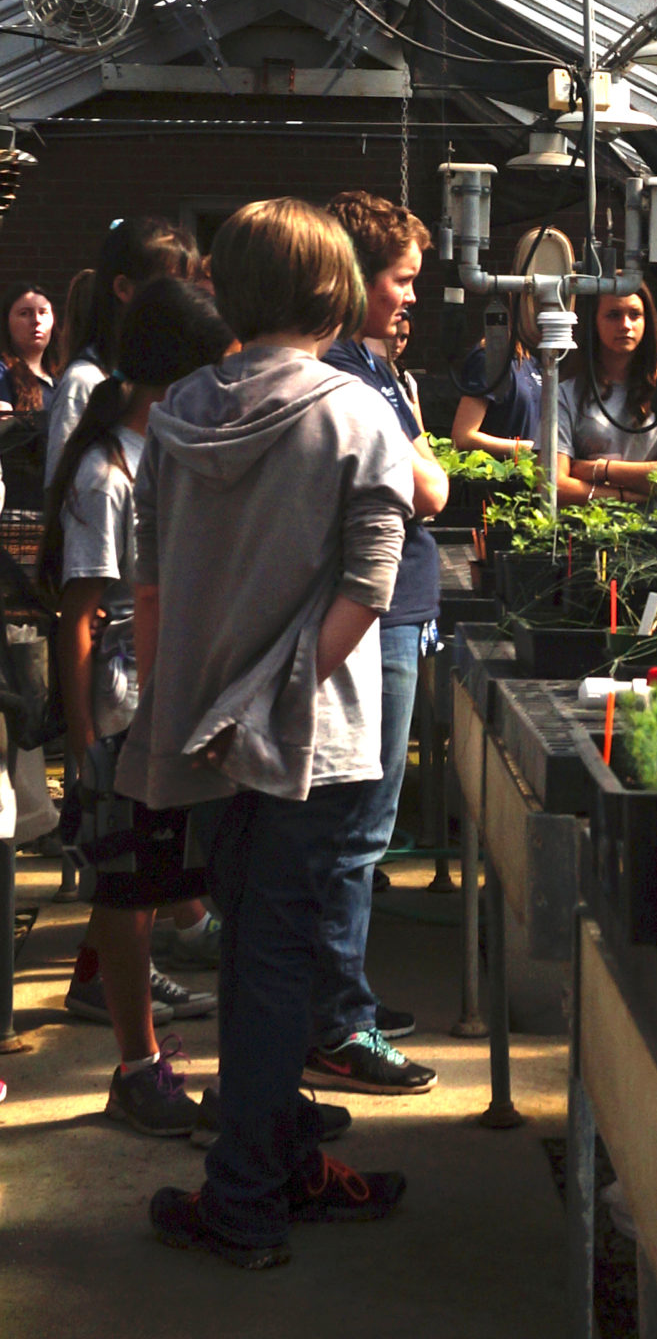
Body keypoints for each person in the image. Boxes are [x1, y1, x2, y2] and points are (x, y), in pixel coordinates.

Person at [117, 197, 415, 1268]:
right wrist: (274, 695)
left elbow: (148, 591)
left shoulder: (179, 412)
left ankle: (275, 1159)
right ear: (335, 289)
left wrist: (184, 713)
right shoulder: (354, 413)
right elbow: (369, 589)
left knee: (255, 951)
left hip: (205, 742)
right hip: (311, 741)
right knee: (273, 967)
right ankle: (247, 1195)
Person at [42, 277, 232, 1126]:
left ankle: (133, 1038)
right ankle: (135, 1068)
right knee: (125, 893)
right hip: (122, 717)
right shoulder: (104, 469)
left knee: (148, 887)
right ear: (176, 373)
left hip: (172, 704)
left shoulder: (173, 448)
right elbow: (79, 617)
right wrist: (84, 744)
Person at [305, 192, 445, 1095]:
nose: (411, 298)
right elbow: (427, 489)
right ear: (353, 277)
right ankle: (338, 1023)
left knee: (366, 826)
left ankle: (343, 995)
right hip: (376, 623)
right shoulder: (348, 375)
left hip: (400, 617)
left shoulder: (379, 366)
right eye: (400, 281)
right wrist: (424, 464)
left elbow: (427, 458)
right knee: (355, 830)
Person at [46, 216, 198, 480]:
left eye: (188, 285)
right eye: (170, 285)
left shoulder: (175, 375)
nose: (184, 298)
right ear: (124, 288)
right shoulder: (85, 381)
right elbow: (62, 489)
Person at [554, 282, 657, 504]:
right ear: (594, 322)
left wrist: (601, 470)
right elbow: (554, 486)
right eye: (613, 315)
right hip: (583, 529)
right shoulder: (566, 393)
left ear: (647, 321)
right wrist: (626, 496)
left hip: (655, 531)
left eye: (635, 315)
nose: (625, 325)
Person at [449, 224, 565, 464]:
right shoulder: (494, 356)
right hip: (502, 488)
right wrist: (529, 449)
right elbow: (463, 436)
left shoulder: (538, 359)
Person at [0, 281, 58, 510]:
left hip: (51, 507)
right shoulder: (4, 373)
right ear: (6, 323)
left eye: (43, 312)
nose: (36, 321)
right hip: (15, 512)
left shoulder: (61, 379)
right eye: (25, 313)